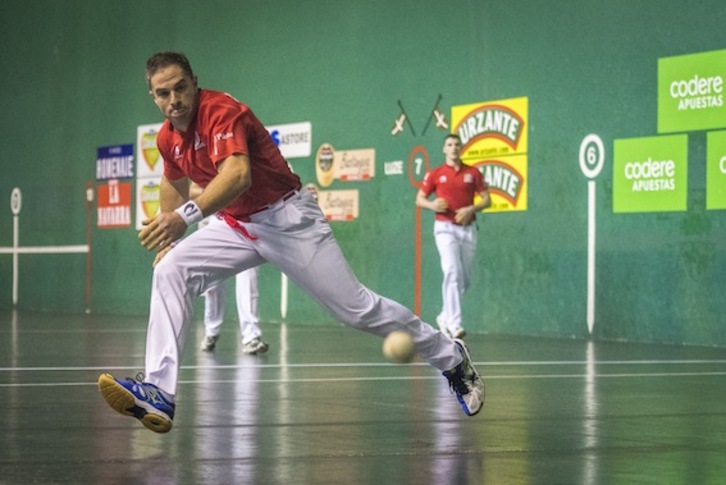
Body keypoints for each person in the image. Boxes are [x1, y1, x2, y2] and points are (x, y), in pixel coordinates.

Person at [97, 52, 484, 433]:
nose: (174, 100)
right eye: (163, 94)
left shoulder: (221, 111)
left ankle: (451, 357)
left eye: (180, 88)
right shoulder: (168, 138)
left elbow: (238, 176)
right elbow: (173, 180)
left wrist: (182, 218)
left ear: (195, 82)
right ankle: (159, 392)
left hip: (288, 219)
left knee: (357, 310)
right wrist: (167, 239)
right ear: (153, 97)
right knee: (170, 270)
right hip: (238, 225)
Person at [415, 134, 491, 339]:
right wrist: (432, 204)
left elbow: (487, 200)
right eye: (449, 144)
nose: (454, 148)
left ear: (461, 148)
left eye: (457, 144)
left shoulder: (473, 173)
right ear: (444, 149)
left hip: (468, 230)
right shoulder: (435, 174)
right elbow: (419, 199)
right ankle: (455, 324)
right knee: (452, 271)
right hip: (444, 228)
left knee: (463, 280)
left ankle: (444, 315)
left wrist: (471, 209)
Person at [191, 183, 268, 355]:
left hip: (244, 219)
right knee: (213, 285)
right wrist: (221, 191)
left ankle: (251, 336)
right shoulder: (205, 161)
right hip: (215, 222)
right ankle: (211, 331)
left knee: (249, 276)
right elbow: (191, 190)